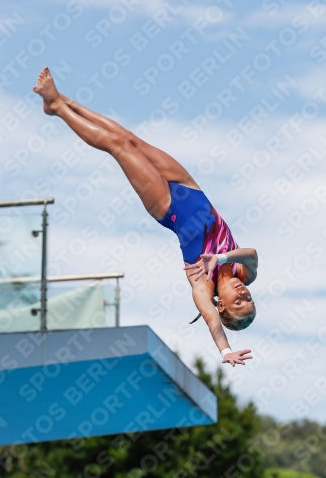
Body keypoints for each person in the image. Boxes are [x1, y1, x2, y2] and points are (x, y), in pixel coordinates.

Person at [33, 67, 258, 367]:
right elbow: (253, 254)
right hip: (192, 190)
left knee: (119, 146)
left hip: (168, 207)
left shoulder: (203, 285)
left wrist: (224, 350)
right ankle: (60, 100)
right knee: (130, 138)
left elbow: (210, 319)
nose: (243, 294)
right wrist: (223, 257)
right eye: (248, 299)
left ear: (223, 306)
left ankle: (58, 107)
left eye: (238, 302)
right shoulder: (242, 272)